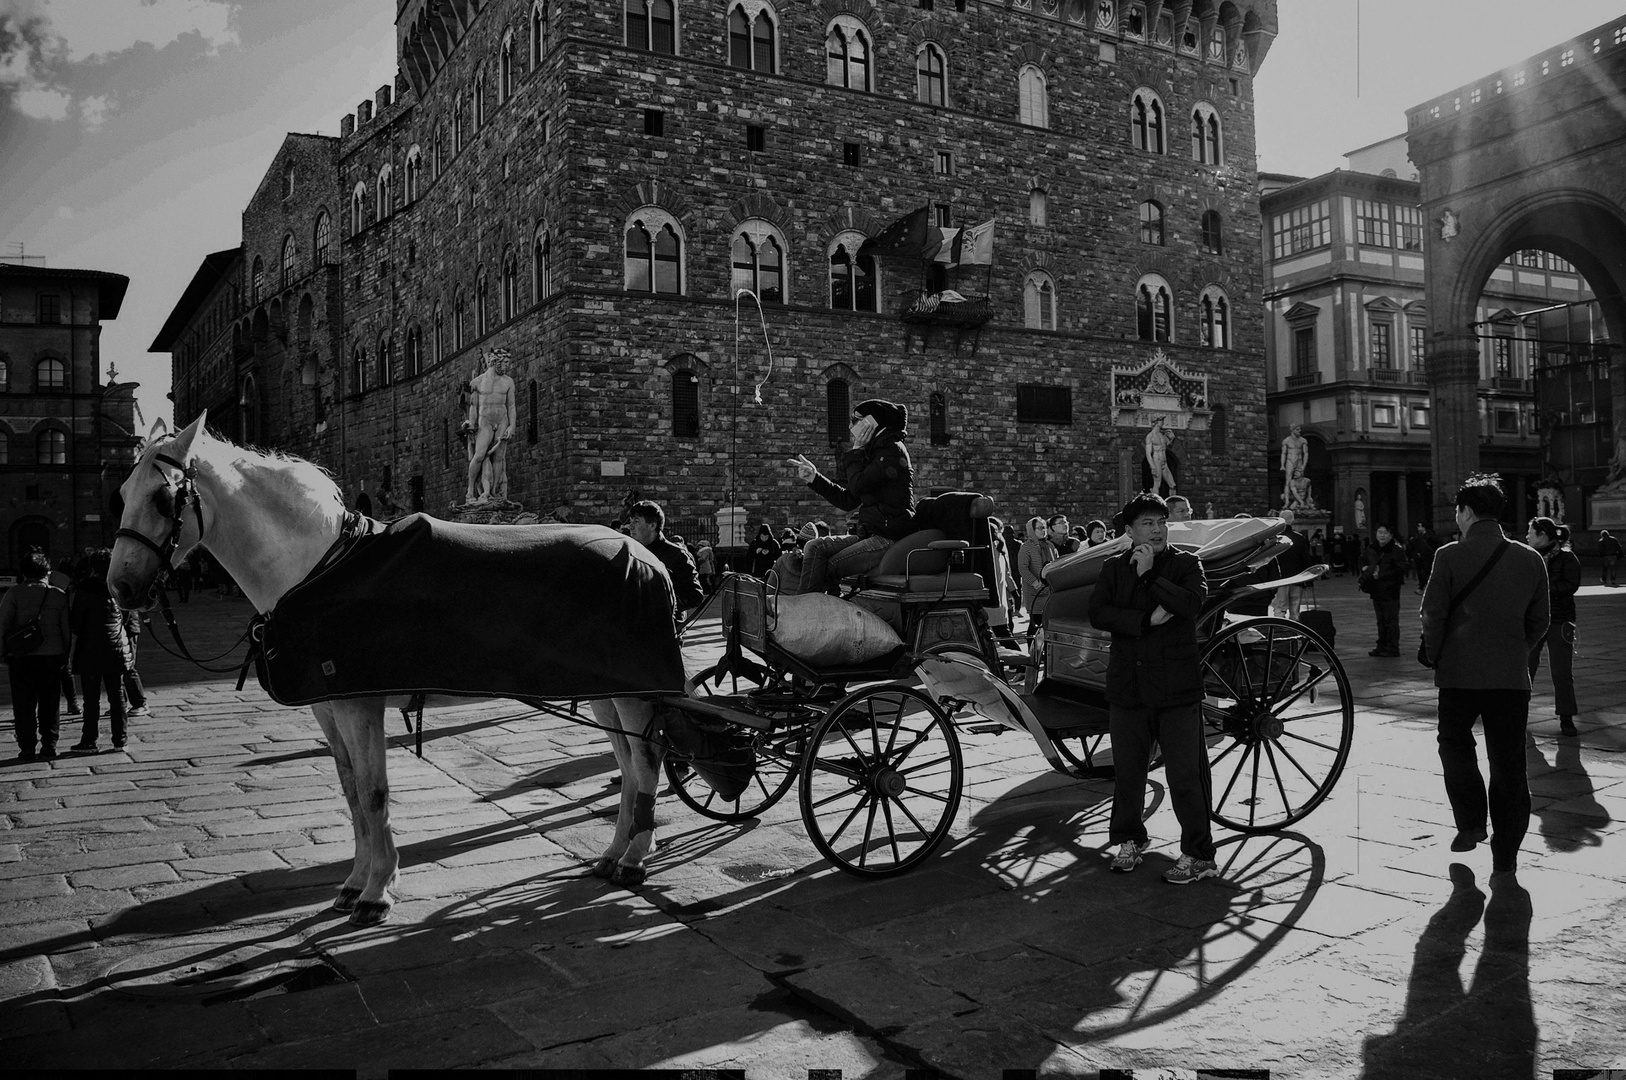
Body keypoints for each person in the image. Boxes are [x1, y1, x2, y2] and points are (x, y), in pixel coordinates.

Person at [1420, 474, 1548, 874]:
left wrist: (1438, 653)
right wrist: (1514, 649)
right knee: (1509, 762)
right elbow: (1540, 620)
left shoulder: (1449, 556)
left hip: (1458, 675)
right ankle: (1507, 850)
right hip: (1510, 677)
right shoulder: (1531, 558)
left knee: (1454, 746)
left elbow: (1432, 613)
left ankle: (1472, 822)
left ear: (1467, 512)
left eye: (1458, 511)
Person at [1088, 492, 1215, 884]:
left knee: (1184, 775)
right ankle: (1129, 840)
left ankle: (1198, 855)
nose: (1157, 529)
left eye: (1161, 522)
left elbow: (1191, 604)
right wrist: (1145, 619)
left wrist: (1149, 577)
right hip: (1128, 685)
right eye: (1147, 523)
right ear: (1129, 531)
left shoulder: (1186, 563)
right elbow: (1098, 613)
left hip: (1176, 687)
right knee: (1128, 771)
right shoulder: (1112, 568)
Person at [786, 398, 916, 594]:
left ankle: (809, 614)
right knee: (814, 547)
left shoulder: (891, 450)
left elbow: (857, 485)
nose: (849, 425)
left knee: (825, 568)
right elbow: (848, 500)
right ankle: (810, 611)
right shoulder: (874, 451)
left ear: (872, 423)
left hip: (887, 537)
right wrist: (814, 478)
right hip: (871, 534)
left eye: (856, 419)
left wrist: (856, 451)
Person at [0, 552, 72, 761]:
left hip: (22, 657)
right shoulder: (59, 594)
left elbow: (2, 625)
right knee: (50, 703)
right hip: (52, 656)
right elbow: (65, 629)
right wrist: (65, 653)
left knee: (23, 704)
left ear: (23, 572)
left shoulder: (14, 593)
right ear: (47, 572)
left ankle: (27, 747)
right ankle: (49, 744)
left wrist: (3, 653)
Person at [67, 549, 139, 754]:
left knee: (91, 699)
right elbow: (126, 619)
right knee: (117, 697)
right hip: (116, 648)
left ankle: (89, 741)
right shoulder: (119, 588)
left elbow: (76, 623)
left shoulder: (84, 589)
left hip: (90, 649)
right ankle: (120, 740)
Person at [1526, 517, 1580, 736]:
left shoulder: (1567, 558)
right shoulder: (1527, 558)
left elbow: (1571, 585)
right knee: (1525, 668)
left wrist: (1542, 588)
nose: (1527, 536)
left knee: (1561, 671)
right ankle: (1518, 711)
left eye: (1531, 532)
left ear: (1543, 535)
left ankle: (1566, 717)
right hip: (1532, 620)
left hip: (1560, 619)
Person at [625, 500, 704, 624]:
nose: (631, 526)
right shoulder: (630, 552)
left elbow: (695, 595)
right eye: (630, 521)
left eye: (636, 521)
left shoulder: (677, 555)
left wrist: (661, 604)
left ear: (652, 525)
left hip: (666, 628)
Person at [461, 348, 517, 504]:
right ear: (496, 362)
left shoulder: (508, 382)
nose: (507, 366)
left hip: (502, 421)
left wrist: (512, 426)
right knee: (479, 456)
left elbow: (511, 406)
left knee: (499, 457)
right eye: (505, 363)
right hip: (485, 422)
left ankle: (493, 494)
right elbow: (473, 407)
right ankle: (470, 491)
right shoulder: (477, 382)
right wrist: (471, 425)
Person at [1361, 524, 1408, 656]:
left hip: (1390, 589)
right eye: (1379, 532)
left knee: (1390, 619)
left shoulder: (1397, 550)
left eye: (1385, 533)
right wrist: (1365, 567)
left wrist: (1381, 575)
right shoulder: (1371, 548)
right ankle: (1381, 645)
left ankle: (1392, 647)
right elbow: (1362, 559)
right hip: (1375, 589)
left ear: (1391, 535)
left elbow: (1401, 569)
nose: (1382, 535)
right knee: (1380, 620)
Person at [49, 558, 80, 717]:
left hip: (43, 630)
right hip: (60, 629)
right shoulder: (63, 581)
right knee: (65, 669)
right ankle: (72, 703)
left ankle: (49, 707)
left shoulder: (52, 578)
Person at [1018, 516, 1057, 639]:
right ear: (1032, 530)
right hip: (1035, 592)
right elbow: (1023, 568)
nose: (1043, 530)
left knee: (1048, 623)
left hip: (1049, 590)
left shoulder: (1050, 545)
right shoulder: (1026, 547)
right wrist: (1035, 582)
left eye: (1044, 527)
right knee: (1035, 624)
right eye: (1039, 528)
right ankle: (1032, 651)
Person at [1270, 509, 1310, 620]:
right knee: (1295, 610)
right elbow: (1306, 560)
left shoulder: (1274, 538)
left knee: (1279, 609)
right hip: (1297, 577)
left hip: (1279, 579)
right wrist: (1308, 579)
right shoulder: (1300, 538)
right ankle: (1296, 633)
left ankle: (1279, 632)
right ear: (1292, 521)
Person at [1144, 416, 1177, 495]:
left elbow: (1168, 447)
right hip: (1156, 462)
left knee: (1173, 485)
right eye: (1161, 420)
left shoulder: (1163, 435)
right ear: (1156, 422)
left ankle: (1172, 505)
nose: (1163, 422)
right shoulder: (1150, 436)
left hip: (1164, 463)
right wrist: (1152, 467)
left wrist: (1172, 439)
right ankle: (1156, 504)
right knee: (1157, 484)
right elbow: (1148, 454)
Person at [1280, 423, 1309, 505]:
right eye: (1297, 429)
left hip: (1299, 460)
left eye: (1300, 429)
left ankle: (1300, 501)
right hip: (1290, 460)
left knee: (1300, 480)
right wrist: (1282, 464)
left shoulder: (1303, 440)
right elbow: (1284, 453)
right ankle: (1286, 502)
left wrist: (1304, 465)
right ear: (1292, 430)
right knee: (1288, 481)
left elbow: (1306, 453)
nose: (1300, 431)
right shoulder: (1286, 441)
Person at [1408, 522, 1440, 594]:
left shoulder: (1430, 536)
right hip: (1419, 558)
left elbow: (1436, 543)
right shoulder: (1416, 536)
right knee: (1420, 573)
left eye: (1419, 526)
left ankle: (1427, 587)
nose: (1418, 528)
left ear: (1424, 527)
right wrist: (1415, 555)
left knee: (1428, 572)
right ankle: (1422, 587)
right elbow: (1412, 547)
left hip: (1428, 557)